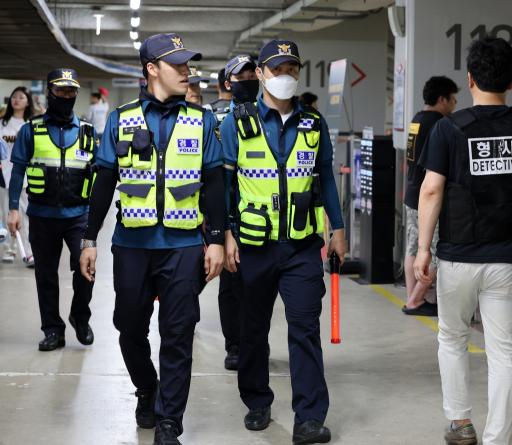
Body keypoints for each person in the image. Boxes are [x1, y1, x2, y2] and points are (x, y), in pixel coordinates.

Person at [78, 33, 226, 445]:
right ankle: (147, 386)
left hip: (182, 247)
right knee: (128, 326)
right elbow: (104, 180)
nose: (187, 71)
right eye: (178, 64)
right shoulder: (121, 118)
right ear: (151, 69)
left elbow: (214, 182)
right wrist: (89, 239)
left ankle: (168, 424)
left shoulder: (203, 120)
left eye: (188, 64)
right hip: (132, 245)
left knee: (178, 332)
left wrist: (215, 238)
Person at [413, 37, 512, 445]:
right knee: (504, 352)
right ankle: (497, 440)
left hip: (459, 255)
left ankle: (461, 424)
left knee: (453, 338)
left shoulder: (448, 129)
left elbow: (431, 191)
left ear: (471, 78)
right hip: (511, 257)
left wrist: (423, 249)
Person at [220, 39, 346, 444]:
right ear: (259, 74)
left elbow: (325, 177)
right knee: (253, 328)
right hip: (253, 246)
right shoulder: (235, 124)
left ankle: (309, 416)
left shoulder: (313, 123)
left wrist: (338, 228)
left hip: (302, 246)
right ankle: (257, 399)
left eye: (292, 68)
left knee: (305, 327)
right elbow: (223, 185)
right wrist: (225, 236)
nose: (286, 76)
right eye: (277, 69)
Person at [7, 69, 98, 351]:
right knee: (45, 275)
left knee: (87, 270)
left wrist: (96, 217)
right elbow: (17, 171)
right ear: (49, 92)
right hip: (42, 215)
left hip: (79, 217)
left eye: (71, 92)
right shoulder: (30, 130)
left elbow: (99, 175)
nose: (67, 96)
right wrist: (13, 209)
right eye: (61, 91)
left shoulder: (88, 131)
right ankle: (53, 330)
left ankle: (79, 317)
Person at [213, 54, 259, 371]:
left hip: (262, 217)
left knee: (256, 287)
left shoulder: (269, 117)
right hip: (230, 215)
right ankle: (234, 344)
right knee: (231, 284)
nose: (246, 83)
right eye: (239, 78)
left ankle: (255, 342)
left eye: (250, 76)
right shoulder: (218, 121)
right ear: (228, 84)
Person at [402, 76, 458, 316]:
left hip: (411, 194)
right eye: (453, 98)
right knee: (434, 251)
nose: (455, 103)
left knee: (412, 248)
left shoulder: (417, 119)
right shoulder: (440, 123)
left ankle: (413, 297)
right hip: (426, 198)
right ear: (442, 99)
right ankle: (416, 300)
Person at [0, 86, 36, 265]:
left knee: (27, 215)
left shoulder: (32, 124)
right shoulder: (2, 123)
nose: (17, 100)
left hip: (26, 177)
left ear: (28, 101)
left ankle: (29, 251)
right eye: (14, 96)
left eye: (21, 97)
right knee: (7, 214)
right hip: (4, 175)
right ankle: (9, 250)